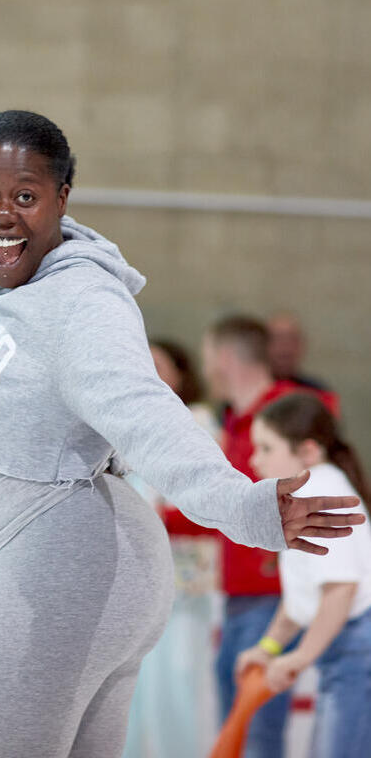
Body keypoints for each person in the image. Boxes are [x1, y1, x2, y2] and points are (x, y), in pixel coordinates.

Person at [0, 0, 362, 758]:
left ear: (63, 198)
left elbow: (146, 415)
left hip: (65, 565)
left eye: (26, 197)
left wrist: (246, 507)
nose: (1, 216)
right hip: (80, 565)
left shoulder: (82, 306)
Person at [202, 315, 338, 758]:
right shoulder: (236, 424)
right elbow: (222, 508)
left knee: (257, 729)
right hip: (239, 593)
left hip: (274, 594)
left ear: (223, 359)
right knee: (236, 727)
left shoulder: (291, 416)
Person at [239, 393, 371, 758]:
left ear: (308, 453)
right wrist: (269, 647)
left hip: (356, 648)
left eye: (266, 448)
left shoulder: (320, 490)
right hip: (345, 648)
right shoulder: (309, 494)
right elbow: (303, 599)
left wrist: (299, 657)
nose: (254, 460)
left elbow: (341, 590)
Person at [123, 340, 220, 758]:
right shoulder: (126, 422)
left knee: (176, 690)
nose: (150, 369)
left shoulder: (197, 422)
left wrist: (152, 514)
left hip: (183, 578)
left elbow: (209, 503)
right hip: (133, 580)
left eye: (159, 363)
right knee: (134, 692)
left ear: (181, 372)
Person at [267, 311, 330, 391]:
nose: (285, 347)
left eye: (292, 339)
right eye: (278, 339)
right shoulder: (252, 392)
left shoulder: (317, 392)